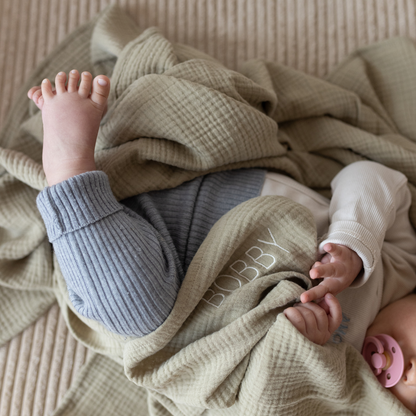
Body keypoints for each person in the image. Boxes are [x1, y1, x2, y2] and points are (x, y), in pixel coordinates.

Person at [28, 70, 416, 412]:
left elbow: (254, 406)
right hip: (221, 197)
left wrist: (300, 354)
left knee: (133, 309)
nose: (412, 371)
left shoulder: (343, 401)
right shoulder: (402, 268)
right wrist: (353, 241)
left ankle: (69, 171)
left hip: (177, 312)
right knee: (226, 121)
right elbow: (372, 177)